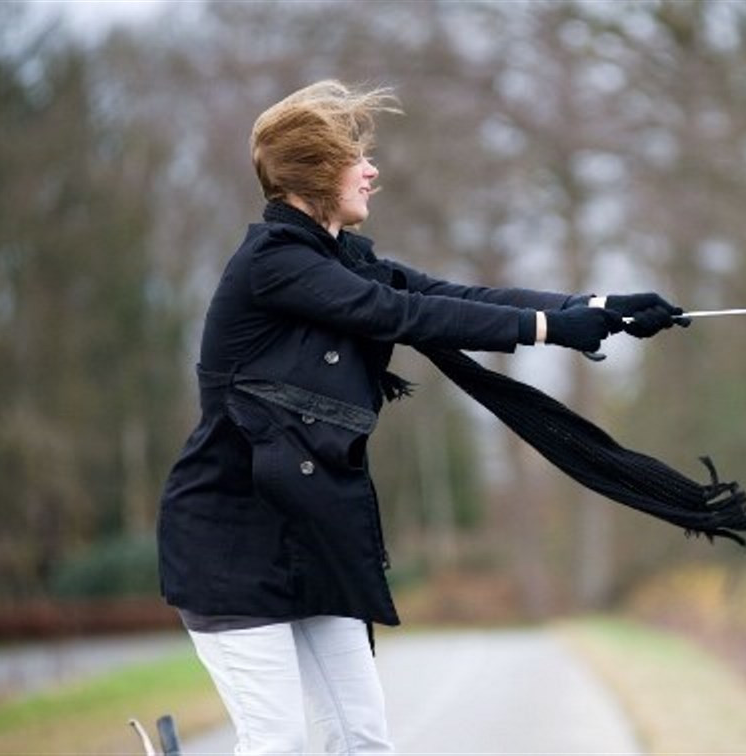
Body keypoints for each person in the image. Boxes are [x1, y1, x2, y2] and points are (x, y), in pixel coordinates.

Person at [156, 80, 684, 755]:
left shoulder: (344, 259)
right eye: (355, 158)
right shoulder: (274, 266)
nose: (372, 171)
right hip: (230, 540)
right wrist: (551, 328)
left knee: (363, 740)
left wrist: (600, 304)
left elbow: (450, 294)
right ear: (316, 173)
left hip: (315, 534)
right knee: (279, 742)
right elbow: (400, 316)